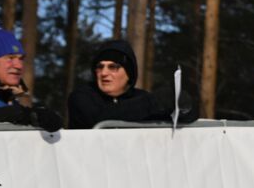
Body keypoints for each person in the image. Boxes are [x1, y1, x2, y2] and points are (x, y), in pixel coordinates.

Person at [66, 39, 194, 129]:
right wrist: (154, 103)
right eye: (99, 67)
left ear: (129, 73)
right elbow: (98, 117)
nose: (104, 73)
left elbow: (186, 120)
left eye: (113, 67)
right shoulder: (82, 97)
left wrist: (182, 106)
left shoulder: (140, 97)